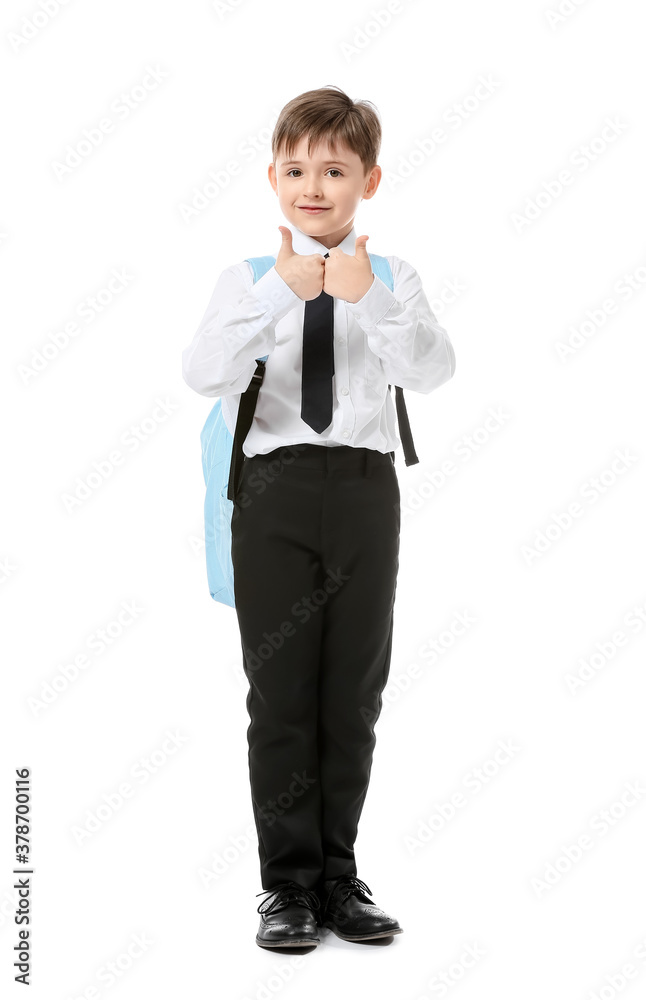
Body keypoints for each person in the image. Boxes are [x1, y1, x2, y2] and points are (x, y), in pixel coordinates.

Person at [182, 85, 456, 949]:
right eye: (297, 168)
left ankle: (341, 876)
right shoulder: (249, 279)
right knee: (281, 692)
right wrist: (284, 296)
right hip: (274, 493)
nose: (314, 185)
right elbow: (204, 371)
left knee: (354, 690)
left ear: (367, 181)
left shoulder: (394, 277)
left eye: (334, 169)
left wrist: (366, 295)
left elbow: (434, 367)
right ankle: (288, 886)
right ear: (273, 176)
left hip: (367, 491)